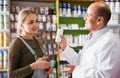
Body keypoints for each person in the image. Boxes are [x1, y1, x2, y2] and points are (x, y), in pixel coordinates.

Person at [60, 1, 120, 78]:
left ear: (99, 20)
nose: (84, 18)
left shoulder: (110, 41)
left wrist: (77, 71)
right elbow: (81, 61)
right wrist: (65, 47)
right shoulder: (93, 38)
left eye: (88, 15)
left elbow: (105, 75)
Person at [8, 9, 53, 78]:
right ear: (22, 25)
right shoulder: (17, 44)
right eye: (31, 22)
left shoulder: (37, 40)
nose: (36, 25)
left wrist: (47, 67)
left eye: (37, 21)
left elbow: (40, 65)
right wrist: (34, 66)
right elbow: (11, 75)